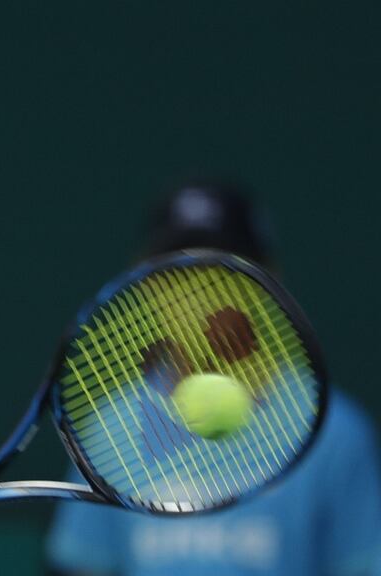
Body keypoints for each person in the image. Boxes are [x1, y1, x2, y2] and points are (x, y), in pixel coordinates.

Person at [45, 183, 381, 576]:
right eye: (179, 271)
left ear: (268, 278)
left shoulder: (338, 435)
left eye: (223, 267)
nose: (201, 289)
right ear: (146, 283)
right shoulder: (111, 428)